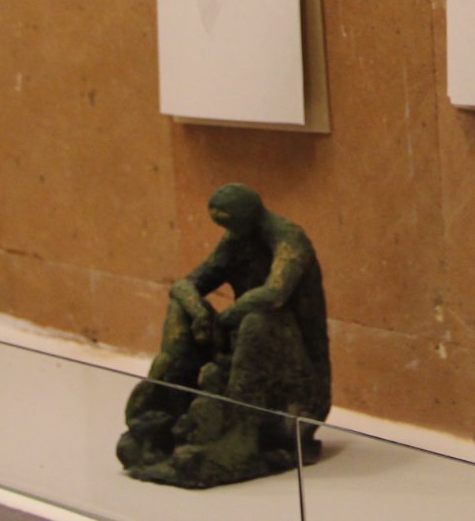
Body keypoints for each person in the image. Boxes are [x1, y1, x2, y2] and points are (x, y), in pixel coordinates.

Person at [118, 184, 332, 489]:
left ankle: (242, 432)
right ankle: (169, 401)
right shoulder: (237, 240)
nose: (228, 231)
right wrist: (199, 312)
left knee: (258, 320)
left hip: (295, 373)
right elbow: (185, 285)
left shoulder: (289, 239)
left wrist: (230, 316)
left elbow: (275, 293)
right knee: (181, 308)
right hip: (240, 344)